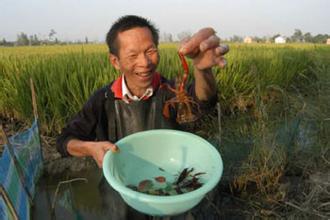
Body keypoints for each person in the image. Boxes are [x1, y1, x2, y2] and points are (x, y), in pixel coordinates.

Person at [56, 15, 229, 220]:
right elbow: (64, 141)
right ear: (115, 61)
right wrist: (90, 148)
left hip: (171, 192)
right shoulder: (102, 100)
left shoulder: (170, 90)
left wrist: (203, 70)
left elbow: (203, 100)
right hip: (121, 197)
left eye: (150, 51)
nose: (145, 62)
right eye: (132, 55)